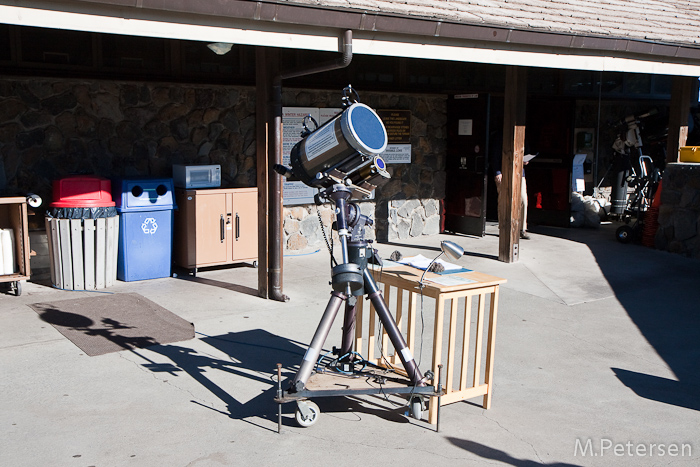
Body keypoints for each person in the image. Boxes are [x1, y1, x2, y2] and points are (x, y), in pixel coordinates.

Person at [489, 133, 530, 239]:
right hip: (504, 172)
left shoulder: (522, 136)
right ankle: (503, 228)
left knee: (523, 199)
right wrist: (497, 172)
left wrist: (525, 160)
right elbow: (494, 155)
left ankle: (522, 229)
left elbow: (526, 151)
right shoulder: (501, 137)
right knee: (503, 200)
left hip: (519, 172)